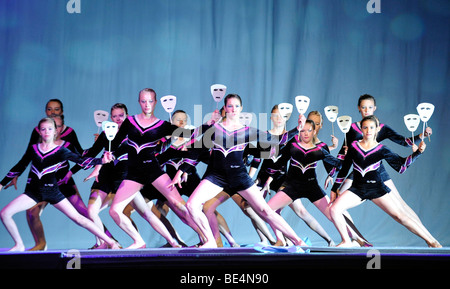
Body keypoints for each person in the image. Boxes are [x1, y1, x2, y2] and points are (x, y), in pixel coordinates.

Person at [170, 94, 308, 248]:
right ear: (225, 108)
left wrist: (298, 129)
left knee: (265, 211)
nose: (233, 109)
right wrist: (180, 171)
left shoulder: (247, 131)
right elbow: (195, 148)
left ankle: (297, 240)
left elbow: (276, 140)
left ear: (241, 108)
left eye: (236, 106)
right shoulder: (214, 129)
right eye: (230, 106)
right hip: (216, 176)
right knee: (192, 205)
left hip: (239, 177)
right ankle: (210, 241)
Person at [108, 88, 217, 249]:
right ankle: (139, 241)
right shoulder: (129, 122)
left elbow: (189, 133)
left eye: (150, 101)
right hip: (133, 174)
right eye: (143, 101)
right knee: (114, 211)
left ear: (155, 102)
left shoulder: (162, 125)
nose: (147, 104)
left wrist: (207, 124)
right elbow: (116, 144)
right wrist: (110, 154)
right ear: (139, 102)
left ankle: (207, 239)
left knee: (180, 208)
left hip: (153, 171)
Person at [0, 118, 120, 251]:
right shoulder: (33, 149)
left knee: (79, 219)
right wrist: (1, 183)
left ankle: (111, 242)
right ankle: (19, 245)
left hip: (53, 192)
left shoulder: (61, 150)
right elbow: (19, 166)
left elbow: (81, 161)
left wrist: (102, 160)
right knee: (5, 213)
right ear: (39, 131)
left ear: (55, 132)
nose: (47, 132)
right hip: (33, 193)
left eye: (50, 129)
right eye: (43, 129)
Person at [329, 115, 441, 248]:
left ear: (376, 130)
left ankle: (431, 241)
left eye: (371, 127)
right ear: (361, 130)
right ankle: (346, 241)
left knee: (400, 216)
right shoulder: (353, 146)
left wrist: (418, 153)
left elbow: (401, 167)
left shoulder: (382, 149)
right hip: (357, 189)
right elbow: (344, 168)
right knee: (334, 209)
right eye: (365, 127)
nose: (368, 130)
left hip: (377, 189)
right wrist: (334, 189)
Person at [3, 99, 85, 251]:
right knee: (32, 212)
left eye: (56, 109)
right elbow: (27, 158)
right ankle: (41, 244)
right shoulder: (39, 131)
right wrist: (15, 175)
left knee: (82, 213)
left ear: (62, 113)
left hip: (64, 180)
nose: (53, 112)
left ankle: (106, 241)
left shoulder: (69, 133)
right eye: (49, 109)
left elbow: (81, 156)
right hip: (44, 182)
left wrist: (72, 171)